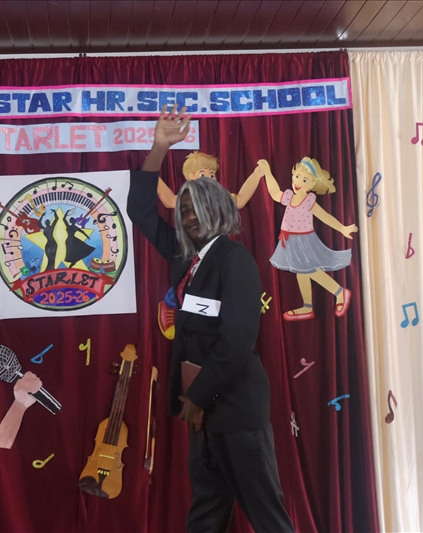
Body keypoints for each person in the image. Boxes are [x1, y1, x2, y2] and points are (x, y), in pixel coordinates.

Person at [128, 106, 293, 533]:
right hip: (201, 412)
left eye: (196, 207)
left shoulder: (234, 260)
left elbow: (236, 341)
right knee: (205, 516)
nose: (187, 216)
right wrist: (159, 148)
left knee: (267, 518)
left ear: (219, 209)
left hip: (233, 408)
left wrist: (197, 398)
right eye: (182, 209)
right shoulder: (184, 257)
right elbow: (140, 211)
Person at [156, 152, 266, 340]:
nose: (208, 178)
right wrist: (152, 175)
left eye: (212, 174)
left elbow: (240, 199)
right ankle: (170, 303)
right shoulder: (185, 199)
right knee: (187, 278)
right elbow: (168, 200)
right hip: (192, 250)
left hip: (217, 250)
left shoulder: (222, 198)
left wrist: (256, 175)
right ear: (189, 178)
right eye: (202, 174)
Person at [258, 158, 357, 321]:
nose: (298, 182)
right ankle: (307, 306)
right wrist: (267, 173)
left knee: (311, 271)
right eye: (297, 176)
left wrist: (342, 228)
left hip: (304, 241)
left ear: (312, 184)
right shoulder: (289, 197)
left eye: (304, 180)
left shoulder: (308, 201)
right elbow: (274, 193)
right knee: (301, 272)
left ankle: (339, 292)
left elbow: (325, 217)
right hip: (290, 241)